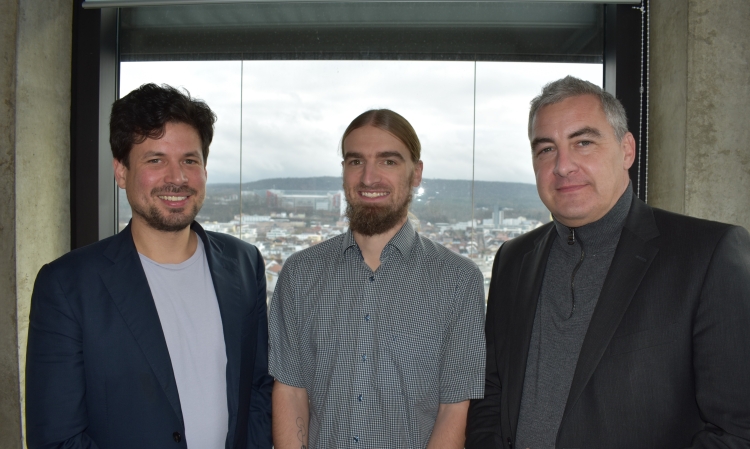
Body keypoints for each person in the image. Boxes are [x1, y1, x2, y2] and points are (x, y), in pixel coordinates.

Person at [465, 76, 750, 448]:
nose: (563, 166)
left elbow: (738, 431)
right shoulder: (514, 259)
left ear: (627, 149)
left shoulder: (708, 254)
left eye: (583, 142)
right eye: (546, 149)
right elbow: (492, 392)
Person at [25, 84, 273, 449]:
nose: (177, 177)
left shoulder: (243, 263)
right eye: (155, 160)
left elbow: (257, 389)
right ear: (121, 172)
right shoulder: (67, 286)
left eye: (190, 160)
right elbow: (57, 439)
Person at [269, 109, 486, 449]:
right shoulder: (299, 274)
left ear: (416, 173)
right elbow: (291, 390)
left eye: (388, 162)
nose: (369, 178)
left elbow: (453, 409)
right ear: (343, 171)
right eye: (356, 162)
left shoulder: (458, 281)